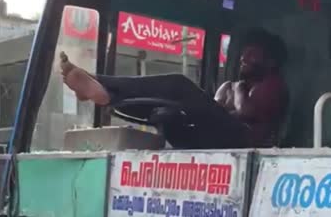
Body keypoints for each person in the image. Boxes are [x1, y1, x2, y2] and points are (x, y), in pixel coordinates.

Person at [61, 28, 287, 148]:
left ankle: (101, 84)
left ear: (270, 61)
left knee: (178, 85)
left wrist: (238, 89)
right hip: (212, 140)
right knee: (166, 113)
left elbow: (246, 112)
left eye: (252, 53)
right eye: (243, 53)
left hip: (244, 144)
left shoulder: (272, 85)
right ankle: (106, 93)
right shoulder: (228, 87)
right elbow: (210, 113)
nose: (243, 58)